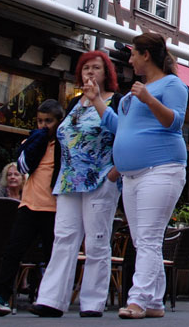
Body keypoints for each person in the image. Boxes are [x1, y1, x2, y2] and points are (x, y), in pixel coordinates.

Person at [84, 33, 187, 319]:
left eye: (132, 54)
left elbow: (174, 122)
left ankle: (138, 300)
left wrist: (149, 98)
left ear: (146, 55)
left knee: (150, 237)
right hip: (131, 176)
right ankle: (154, 301)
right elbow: (118, 126)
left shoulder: (173, 84)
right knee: (142, 240)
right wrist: (95, 101)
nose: (129, 59)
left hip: (162, 168)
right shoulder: (133, 92)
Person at [29, 51, 123, 318]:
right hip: (70, 180)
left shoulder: (115, 101)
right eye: (85, 69)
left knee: (96, 241)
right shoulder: (72, 104)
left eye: (96, 68)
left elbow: (122, 135)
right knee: (64, 238)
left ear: (107, 74)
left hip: (99, 179)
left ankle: (92, 301)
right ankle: (51, 299)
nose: (90, 73)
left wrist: (113, 175)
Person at [0, 99, 64, 316]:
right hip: (29, 204)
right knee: (12, 250)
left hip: (53, 207)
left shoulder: (63, 144)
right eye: (39, 121)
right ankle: (1, 295)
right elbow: (23, 166)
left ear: (58, 121)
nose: (43, 126)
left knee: (51, 256)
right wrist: (35, 142)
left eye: (49, 121)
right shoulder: (34, 142)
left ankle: (49, 299)